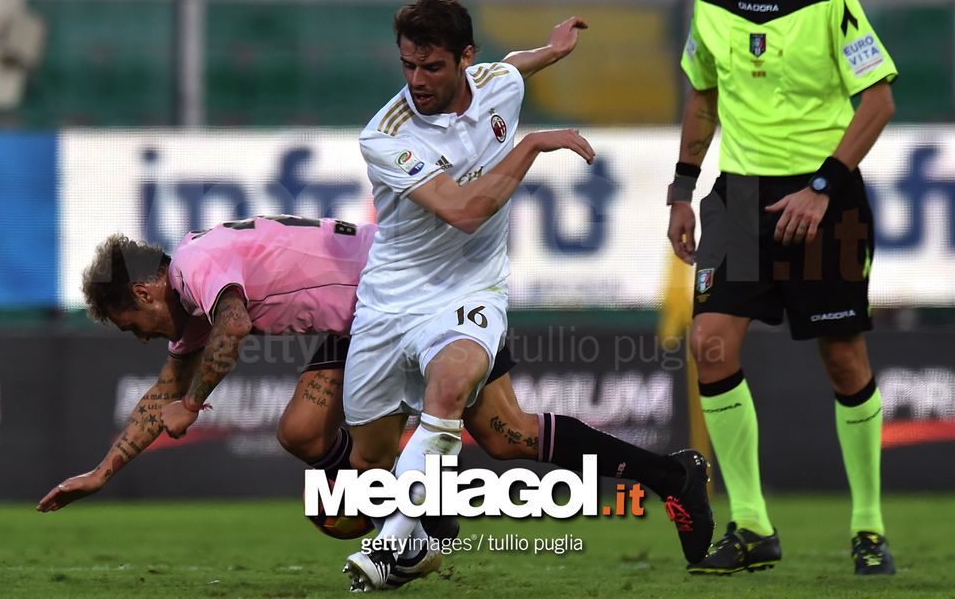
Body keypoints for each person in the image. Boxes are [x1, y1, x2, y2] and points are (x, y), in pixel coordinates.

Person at [37, 214, 712, 587]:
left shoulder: (196, 267)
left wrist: (195, 403)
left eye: (132, 325)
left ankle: (668, 476)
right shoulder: (186, 297)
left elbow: (235, 328)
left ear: (145, 293)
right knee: (305, 432)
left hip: (413, 293)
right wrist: (102, 472)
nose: (139, 340)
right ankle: (428, 514)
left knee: (507, 435)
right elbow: (165, 392)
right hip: (366, 317)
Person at [340, 0, 711, 592]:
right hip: (390, 302)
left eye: (431, 67)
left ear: (465, 58)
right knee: (483, 440)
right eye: (407, 65)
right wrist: (533, 145)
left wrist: (553, 50)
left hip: (468, 291)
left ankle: (393, 546)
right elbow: (462, 210)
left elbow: (511, 66)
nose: (417, 80)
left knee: (450, 385)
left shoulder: (494, 84)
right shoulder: (384, 136)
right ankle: (672, 477)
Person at [666, 0, 897, 577]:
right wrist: (681, 188)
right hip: (738, 198)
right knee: (708, 344)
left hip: (825, 197)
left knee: (843, 358)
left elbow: (878, 101)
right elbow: (702, 95)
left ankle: (868, 528)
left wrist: (824, 187)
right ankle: (752, 526)